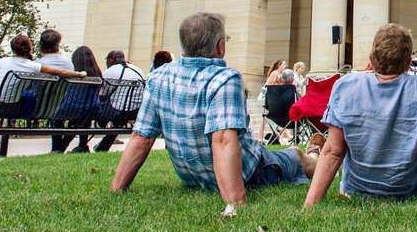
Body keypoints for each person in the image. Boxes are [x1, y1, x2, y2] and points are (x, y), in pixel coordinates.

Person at [113, 12, 323, 207]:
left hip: (193, 177)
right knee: (295, 156)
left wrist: (117, 188)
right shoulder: (224, 79)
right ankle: (314, 156)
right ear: (220, 46)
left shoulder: (158, 77)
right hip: (253, 171)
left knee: (287, 154)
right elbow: (223, 140)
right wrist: (235, 203)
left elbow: (141, 137)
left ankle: (314, 152)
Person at [303, 23, 417, 207]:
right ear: (409, 62)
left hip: (357, 191)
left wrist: (310, 205)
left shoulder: (345, 86)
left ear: (371, 58)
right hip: (413, 190)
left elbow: (333, 151)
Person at [0, 34, 89, 158]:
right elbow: (59, 71)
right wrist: (78, 74)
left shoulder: (2, 62)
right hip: (14, 108)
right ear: (29, 48)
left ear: (13, 48)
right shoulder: (33, 66)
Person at [94, 50, 146, 152]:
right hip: (136, 111)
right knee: (118, 119)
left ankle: (89, 145)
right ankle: (102, 147)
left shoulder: (110, 71)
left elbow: (102, 94)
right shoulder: (138, 70)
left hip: (116, 112)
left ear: (111, 60)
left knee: (101, 107)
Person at [37, 29, 76, 153]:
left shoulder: (38, 63)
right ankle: (57, 149)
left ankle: (57, 149)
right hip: (62, 104)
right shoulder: (68, 64)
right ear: (58, 44)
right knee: (56, 106)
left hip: (40, 106)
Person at [63, 46, 105, 154]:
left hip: (75, 109)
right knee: (83, 119)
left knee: (60, 120)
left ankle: (58, 148)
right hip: (93, 109)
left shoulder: (75, 76)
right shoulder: (98, 75)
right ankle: (82, 146)